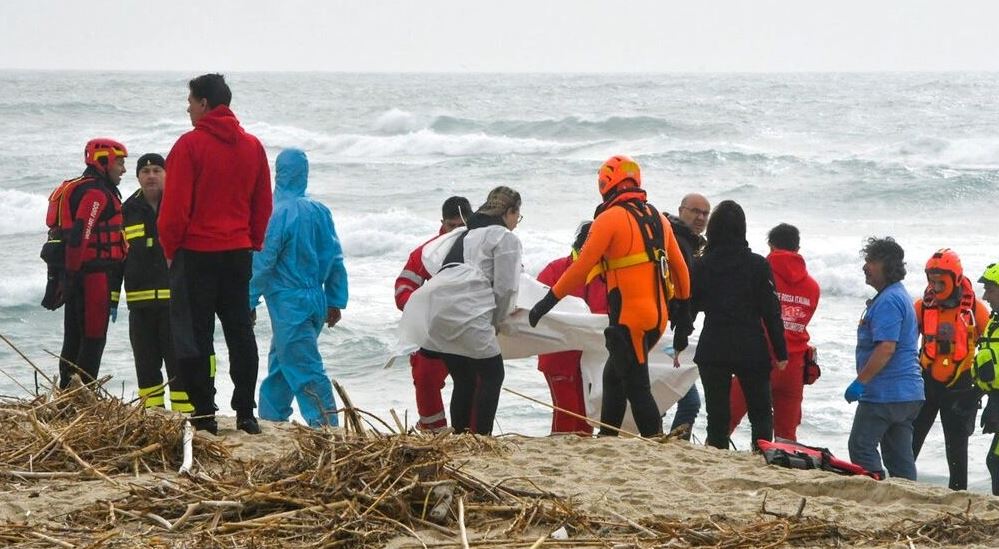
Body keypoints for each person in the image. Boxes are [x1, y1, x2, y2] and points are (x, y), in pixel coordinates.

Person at [530, 155, 691, 438]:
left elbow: (581, 267)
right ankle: (607, 438)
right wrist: (684, 312)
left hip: (630, 318)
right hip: (658, 318)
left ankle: (656, 443)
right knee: (613, 377)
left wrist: (547, 301)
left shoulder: (609, 218)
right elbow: (680, 269)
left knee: (637, 387)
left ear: (607, 183)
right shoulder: (658, 218)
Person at [159, 73, 272, 435]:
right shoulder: (253, 146)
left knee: (195, 335)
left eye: (190, 101)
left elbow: (175, 208)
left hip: (196, 253)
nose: (188, 107)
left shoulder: (189, 146)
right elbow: (262, 204)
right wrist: (251, 240)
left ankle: (205, 412)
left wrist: (169, 249)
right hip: (237, 252)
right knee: (240, 331)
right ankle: (245, 413)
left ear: (205, 104)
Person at [249, 148, 347, 428]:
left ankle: (326, 427)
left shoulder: (276, 213)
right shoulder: (319, 210)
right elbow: (335, 257)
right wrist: (335, 299)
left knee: (304, 368)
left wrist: (248, 298)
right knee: (282, 364)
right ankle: (271, 418)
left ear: (277, 173)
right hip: (315, 298)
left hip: (289, 302)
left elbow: (264, 262)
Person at [417, 186, 522, 435]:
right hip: (469, 313)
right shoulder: (505, 238)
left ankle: (461, 436)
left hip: (438, 311)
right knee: (493, 375)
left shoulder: (466, 234)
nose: (517, 222)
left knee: (463, 379)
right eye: (518, 215)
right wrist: (497, 321)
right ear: (509, 212)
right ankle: (481, 437)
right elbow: (506, 289)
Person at [687, 200, 786, 451]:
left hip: (714, 346)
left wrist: (679, 340)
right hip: (750, 346)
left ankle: (717, 457)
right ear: (742, 229)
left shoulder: (703, 264)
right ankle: (762, 456)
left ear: (714, 229)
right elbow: (771, 311)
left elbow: (690, 306)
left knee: (717, 416)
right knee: (761, 412)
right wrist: (781, 351)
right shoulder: (757, 264)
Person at [108, 153, 192, 412]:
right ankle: (153, 416)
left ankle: (186, 417)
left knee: (179, 364)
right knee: (146, 365)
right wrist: (111, 298)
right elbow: (116, 259)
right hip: (140, 306)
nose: (151, 175)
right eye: (146, 172)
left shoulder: (180, 204)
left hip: (176, 303)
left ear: (167, 175)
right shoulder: (126, 211)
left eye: (157, 170)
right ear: (138, 177)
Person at [45, 139, 128, 388]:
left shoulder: (82, 187)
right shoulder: (95, 193)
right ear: (103, 161)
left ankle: (67, 394)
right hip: (91, 276)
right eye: (120, 163)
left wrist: (67, 278)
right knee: (93, 338)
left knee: (73, 336)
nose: (123, 169)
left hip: (76, 274)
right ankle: (83, 396)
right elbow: (82, 232)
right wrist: (71, 275)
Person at [729, 223, 819, 442]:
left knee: (726, 418)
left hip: (758, 359)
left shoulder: (759, 273)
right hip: (793, 365)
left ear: (771, 246)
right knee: (786, 435)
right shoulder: (812, 286)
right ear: (798, 249)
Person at [846, 237, 924, 481]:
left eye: (871, 261)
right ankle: (906, 497)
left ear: (887, 266)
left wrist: (860, 382)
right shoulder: (898, 295)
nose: (865, 266)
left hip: (885, 393)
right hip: (909, 394)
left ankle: (876, 489)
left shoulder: (889, 300)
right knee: (900, 457)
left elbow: (886, 348)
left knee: (860, 446)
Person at [911, 249, 989, 490]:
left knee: (957, 449)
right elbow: (903, 346)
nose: (934, 286)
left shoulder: (977, 311)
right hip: (926, 384)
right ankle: (898, 485)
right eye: (930, 280)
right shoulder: (921, 308)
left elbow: (992, 350)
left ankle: (958, 494)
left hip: (961, 387)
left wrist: (982, 389)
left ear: (956, 278)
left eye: (940, 281)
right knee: (909, 442)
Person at [394, 195, 473, 432]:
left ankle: (472, 432)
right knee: (425, 374)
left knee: (477, 381)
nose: (457, 231)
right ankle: (433, 430)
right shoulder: (427, 252)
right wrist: (422, 309)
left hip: (470, 329)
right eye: (452, 225)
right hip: (434, 331)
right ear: (442, 223)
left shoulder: (481, 248)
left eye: (462, 225)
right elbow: (403, 288)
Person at [536, 221, 607, 435]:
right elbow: (536, 307)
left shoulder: (607, 274)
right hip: (559, 356)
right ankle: (559, 454)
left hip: (592, 358)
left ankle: (578, 460)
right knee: (568, 412)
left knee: (587, 417)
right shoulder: (556, 270)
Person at [663, 193, 710, 439]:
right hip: (665, 332)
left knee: (666, 392)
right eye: (695, 211)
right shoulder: (678, 241)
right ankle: (669, 444)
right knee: (689, 401)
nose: (700, 217)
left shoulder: (687, 242)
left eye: (705, 213)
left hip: (670, 331)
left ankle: (663, 443)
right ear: (681, 210)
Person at [971, 262, 999, 495]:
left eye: (990, 289)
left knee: (996, 461)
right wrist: (976, 394)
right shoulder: (994, 321)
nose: (985, 296)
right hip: (994, 398)